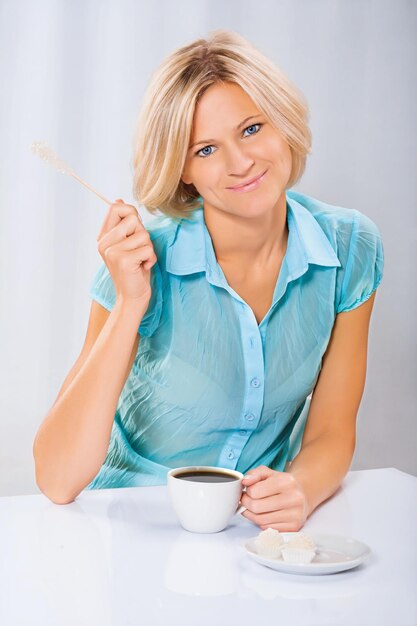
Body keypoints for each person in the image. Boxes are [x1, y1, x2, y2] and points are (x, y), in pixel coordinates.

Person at [33, 30, 384, 532]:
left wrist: (301, 489)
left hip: (250, 532)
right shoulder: (140, 261)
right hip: (123, 527)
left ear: (282, 123)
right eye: (205, 150)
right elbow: (57, 478)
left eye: (251, 129)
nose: (240, 163)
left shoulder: (351, 248)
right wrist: (131, 304)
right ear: (182, 172)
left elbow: (331, 429)